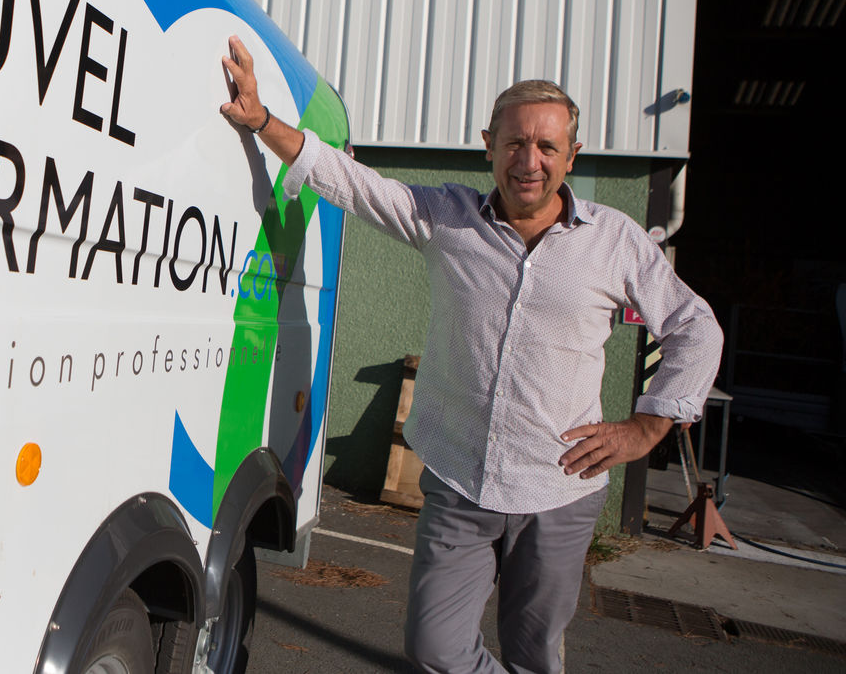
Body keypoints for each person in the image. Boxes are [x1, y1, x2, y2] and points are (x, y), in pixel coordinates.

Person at [219, 36, 722, 674]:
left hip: (558, 489)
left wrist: (647, 426)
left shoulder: (614, 241)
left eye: (547, 147)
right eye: (515, 143)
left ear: (572, 155)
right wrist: (262, 120)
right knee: (435, 648)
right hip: (461, 480)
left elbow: (695, 326)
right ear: (489, 145)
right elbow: (354, 183)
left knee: (535, 653)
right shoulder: (449, 217)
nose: (529, 161)